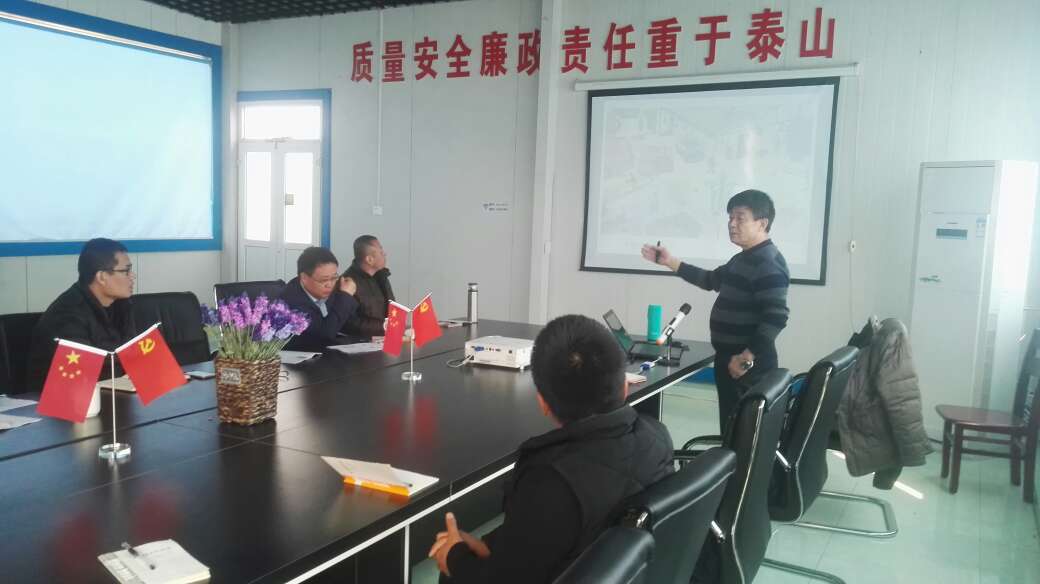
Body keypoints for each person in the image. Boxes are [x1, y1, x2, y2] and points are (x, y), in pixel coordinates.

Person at [428, 315, 674, 583]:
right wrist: (491, 546)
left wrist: (456, 557)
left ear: (543, 403)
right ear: (625, 387)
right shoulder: (658, 437)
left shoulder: (552, 480)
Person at [641, 189, 790, 433]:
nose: (732, 224)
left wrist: (747, 357)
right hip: (730, 360)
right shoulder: (742, 259)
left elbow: (776, 317)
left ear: (762, 223)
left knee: (744, 437)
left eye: (740, 218)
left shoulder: (768, 262)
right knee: (731, 431)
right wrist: (669, 261)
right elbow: (710, 280)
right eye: (730, 217)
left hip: (747, 366)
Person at [26, 238, 137, 392]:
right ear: (102, 277)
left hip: (110, 392)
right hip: (64, 397)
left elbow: (132, 355)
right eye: (126, 271)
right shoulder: (67, 315)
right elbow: (85, 373)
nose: (133, 276)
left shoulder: (121, 304)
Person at [279, 247, 359, 351]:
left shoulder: (332, 286)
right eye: (323, 280)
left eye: (334, 277)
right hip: (302, 355)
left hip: (329, 351)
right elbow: (324, 335)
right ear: (304, 278)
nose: (330, 285)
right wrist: (345, 296)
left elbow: (351, 321)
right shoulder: (291, 300)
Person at [342, 235, 395, 338]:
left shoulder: (382, 276)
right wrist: (384, 326)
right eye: (381, 252)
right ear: (369, 259)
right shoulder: (348, 283)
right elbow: (348, 323)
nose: (385, 254)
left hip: (385, 338)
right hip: (361, 342)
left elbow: (392, 307)